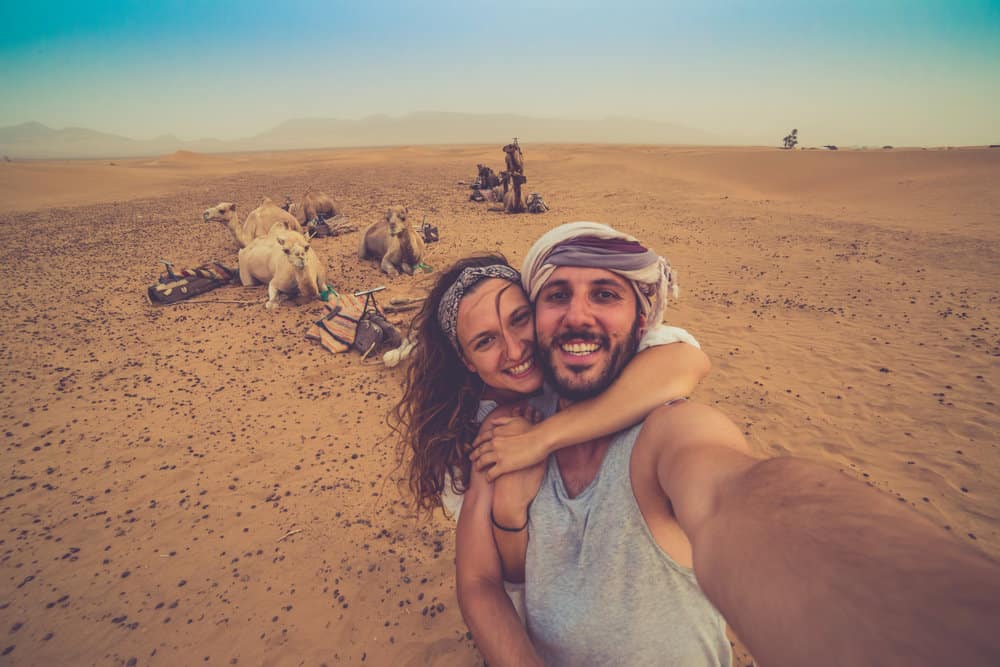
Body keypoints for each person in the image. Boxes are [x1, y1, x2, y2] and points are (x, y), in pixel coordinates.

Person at [457, 222, 1000, 667]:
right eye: (556, 296)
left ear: (642, 320)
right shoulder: (509, 430)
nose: (577, 315)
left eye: (605, 294)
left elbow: (730, 494)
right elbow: (481, 581)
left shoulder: (666, 430)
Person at [392, 250, 710, 605]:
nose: (514, 351)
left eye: (520, 319)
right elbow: (507, 578)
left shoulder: (574, 359)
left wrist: (542, 438)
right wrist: (509, 510)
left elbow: (686, 360)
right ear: (465, 360)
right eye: (485, 341)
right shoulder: (469, 442)